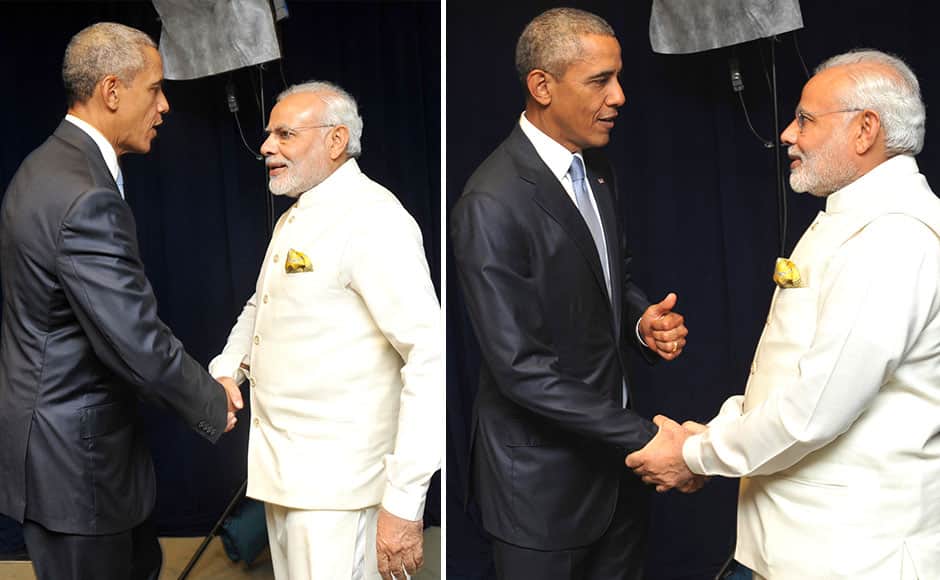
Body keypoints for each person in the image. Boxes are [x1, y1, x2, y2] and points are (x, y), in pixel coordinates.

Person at [627, 49, 940, 579]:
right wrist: (710, 434)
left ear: (866, 130)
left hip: (852, 558)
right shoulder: (851, 219)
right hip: (795, 546)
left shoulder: (894, 237)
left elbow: (811, 411)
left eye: (805, 119)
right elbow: (789, 380)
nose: (788, 134)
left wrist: (696, 454)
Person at [450, 8, 689, 580]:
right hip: (541, 495)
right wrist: (648, 439)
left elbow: (610, 276)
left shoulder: (596, 168)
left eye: (618, 77)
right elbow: (520, 369)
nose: (620, 96)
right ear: (542, 87)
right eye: (600, 80)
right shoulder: (490, 202)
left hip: (616, 480)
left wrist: (638, 322)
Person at [0, 22, 242, 580]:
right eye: (155, 89)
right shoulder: (82, 193)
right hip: (75, 467)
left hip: (73, 454)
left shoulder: (47, 166)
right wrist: (212, 399)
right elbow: (136, 340)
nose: (165, 105)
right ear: (113, 91)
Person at [209, 81, 442, 580]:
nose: (267, 146)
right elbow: (263, 306)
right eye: (269, 134)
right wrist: (228, 371)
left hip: (342, 490)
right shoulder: (295, 218)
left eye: (286, 134)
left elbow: (431, 355)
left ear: (336, 141)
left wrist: (405, 499)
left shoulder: (374, 219)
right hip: (286, 479)